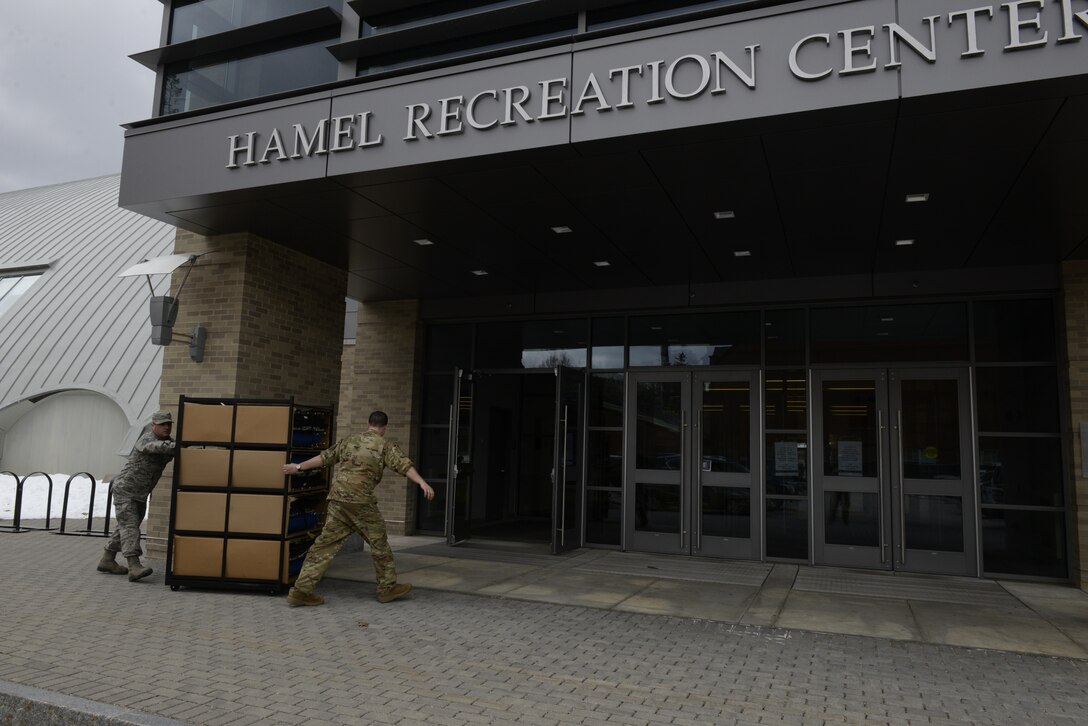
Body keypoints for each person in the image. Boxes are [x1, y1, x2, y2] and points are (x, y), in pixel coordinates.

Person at [283, 410, 435, 607]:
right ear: (384, 428)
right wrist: (422, 483)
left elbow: (324, 458)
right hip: (361, 502)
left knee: (324, 545)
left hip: (338, 500)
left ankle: (301, 591)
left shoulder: (349, 441)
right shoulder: (384, 446)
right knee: (379, 543)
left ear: (368, 423)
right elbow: (404, 466)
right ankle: (387, 588)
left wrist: (297, 467)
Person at [96, 411, 176, 582]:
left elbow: (178, 447)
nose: (167, 427)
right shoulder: (147, 439)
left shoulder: (170, 442)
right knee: (130, 527)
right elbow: (154, 447)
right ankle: (134, 565)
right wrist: (175, 446)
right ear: (153, 425)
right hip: (126, 490)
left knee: (124, 526)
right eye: (162, 424)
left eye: (169, 424)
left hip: (140, 493)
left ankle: (107, 559)